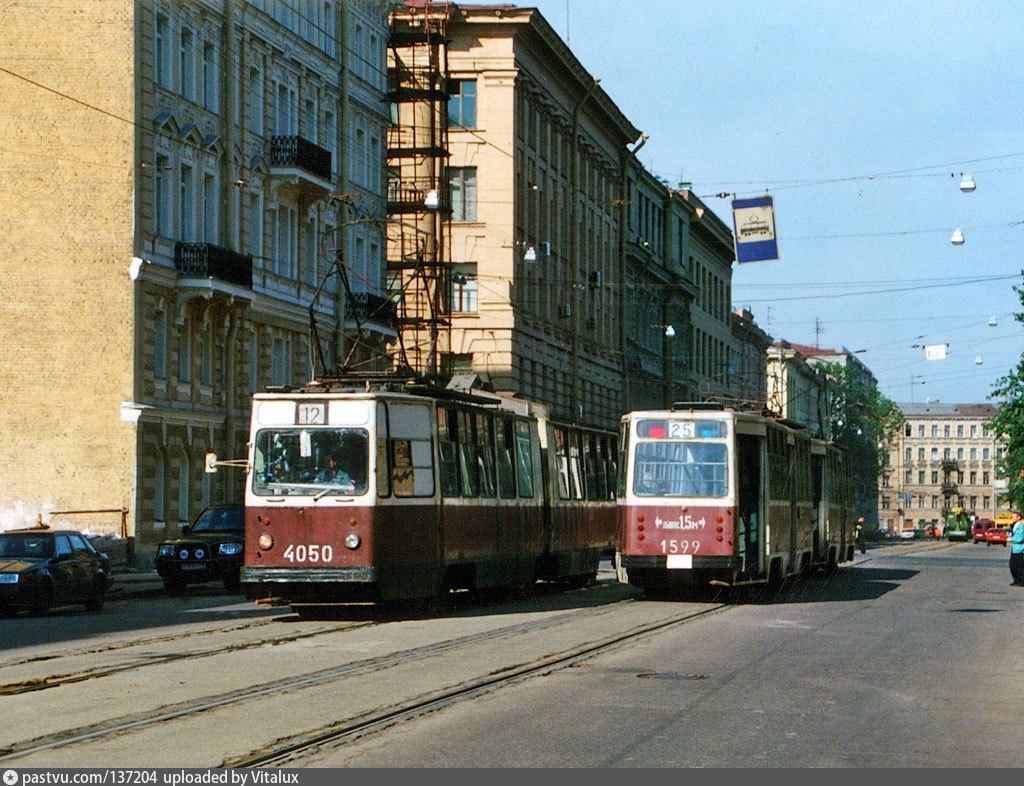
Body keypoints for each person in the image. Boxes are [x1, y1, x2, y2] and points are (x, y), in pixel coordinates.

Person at [1008, 510, 1024, 586]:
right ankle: (1016, 579)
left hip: (1019, 549)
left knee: (1019, 566)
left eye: (1014, 516)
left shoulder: (1021, 526)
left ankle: (1021, 580)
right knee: (1012, 565)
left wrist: (1011, 539)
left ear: (1019, 517)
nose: (1012, 518)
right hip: (1015, 548)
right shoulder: (1015, 525)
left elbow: (1020, 538)